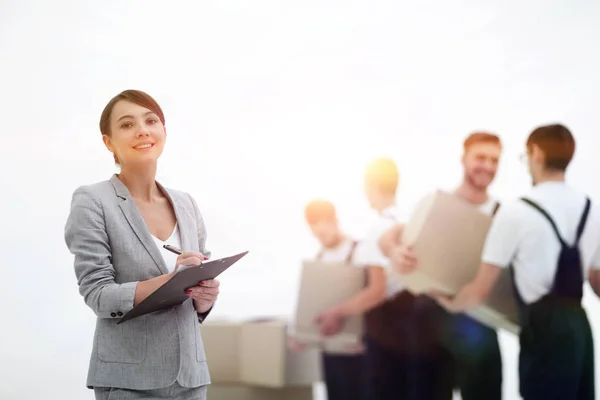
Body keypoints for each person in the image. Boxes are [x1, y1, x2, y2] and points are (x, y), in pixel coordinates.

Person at [64, 90, 220, 400]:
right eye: (126, 124)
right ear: (108, 141)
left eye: (151, 120)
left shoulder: (186, 203)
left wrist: (205, 298)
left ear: (164, 130)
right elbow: (98, 295)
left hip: (191, 379)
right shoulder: (93, 200)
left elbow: (196, 300)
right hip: (129, 382)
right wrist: (170, 281)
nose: (142, 130)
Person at [429, 123, 600, 400]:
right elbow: (597, 283)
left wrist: (449, 301)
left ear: (537, 154)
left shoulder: (516, 212)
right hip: (580, 329)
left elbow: (478, 292)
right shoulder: (592, 209)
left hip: (542, 329)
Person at [379, 132, 504, 400]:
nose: (488, 166)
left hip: (480, 324)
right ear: (463, 159)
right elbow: (389, 236)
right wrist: (395, 251)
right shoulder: (439, 203)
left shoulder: (502, 213)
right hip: (430, 323)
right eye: (480, 157)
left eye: (494, 160)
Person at [316, 158, 447, 400]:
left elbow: (377, 291)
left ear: (368, 186)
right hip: (425, 326)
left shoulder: (377, 229)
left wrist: (336, 311)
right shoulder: (410, 222)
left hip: (389, 330)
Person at [289, 199, 367, 400]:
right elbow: (311, 305)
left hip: (359, 351)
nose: (321, 239)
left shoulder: (361, 251)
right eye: (316, 235)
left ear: (335, 221)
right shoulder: (319, 258)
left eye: (324, 233)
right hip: (331, 351)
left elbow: (372, 298)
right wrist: (302, 333)